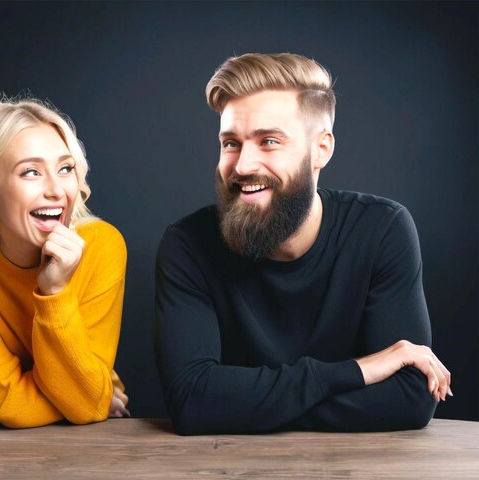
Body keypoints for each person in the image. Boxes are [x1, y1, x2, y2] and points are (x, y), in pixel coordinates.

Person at [154, 53, 452, 435]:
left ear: (321, 149)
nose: (243, 165)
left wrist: (245, 406)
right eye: (230, 143)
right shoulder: (188, 246)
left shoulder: (382, 230)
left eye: (269, 141)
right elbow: (192, 402)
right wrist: (358, 372)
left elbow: (409, 400)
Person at [0, 96, 130, 428]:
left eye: (65, 168)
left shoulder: (103, 246)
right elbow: (12, 405)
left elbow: (87, 407)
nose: (56, 190)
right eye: (31, 172)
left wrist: (53, 290)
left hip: (73, 420)